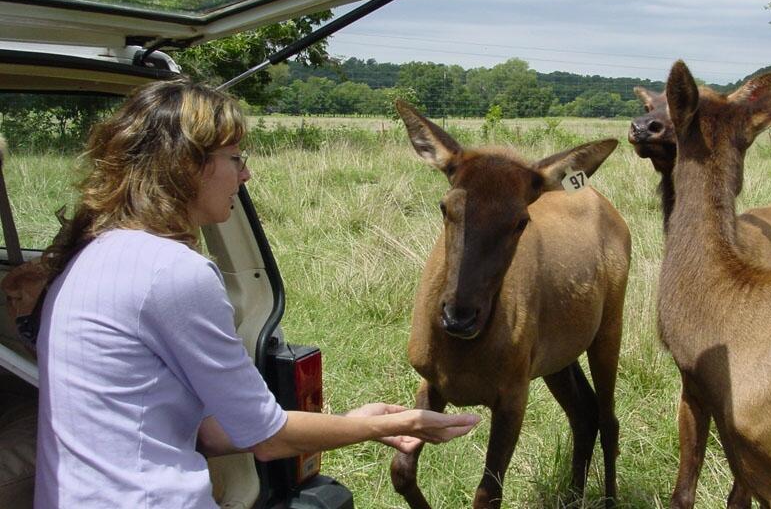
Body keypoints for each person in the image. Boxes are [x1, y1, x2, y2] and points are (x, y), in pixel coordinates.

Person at [33, 78, 479, 508]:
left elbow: (210, 432)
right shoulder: (172, 272)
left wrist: (347, 423)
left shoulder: (96, 254)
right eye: (234, 157)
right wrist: (405, 422)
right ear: (187, 164)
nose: (245, 174)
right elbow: (267, 440)